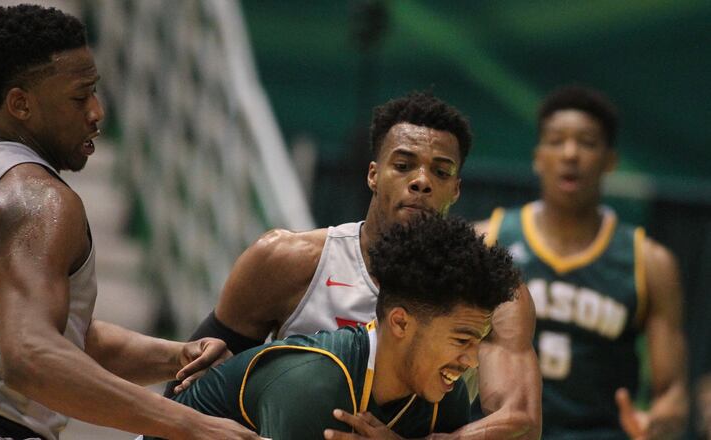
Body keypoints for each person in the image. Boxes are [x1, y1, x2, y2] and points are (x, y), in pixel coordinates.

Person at [0, 5, 259, 440]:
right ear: (21, 104)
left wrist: (176, 356)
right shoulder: (40, 198)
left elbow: (59, 333)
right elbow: (32, 357)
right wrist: (193, 426)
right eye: (79, 97)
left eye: (95, 92)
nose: (96, 112)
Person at [171, 92, 542, 439]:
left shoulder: (490, 293)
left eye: (441, 172)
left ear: (457, 189)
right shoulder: (289, 259)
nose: (421, 182)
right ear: (373, 174)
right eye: (403, 165)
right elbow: (188, 380)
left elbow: (522, 423)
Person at [150, 214, 520, 440]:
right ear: (400, 323)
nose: (473, 360)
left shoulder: (445, 397)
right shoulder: (314, 383)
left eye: (479, 341)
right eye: (462, 339)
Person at [477, 85, 688, 439]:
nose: (570, 153)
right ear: (537, 157)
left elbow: (673, 393)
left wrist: (657, 424)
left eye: (587, 143)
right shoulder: (487, 240)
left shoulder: (649, 262)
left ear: (610, 161)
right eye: (556, 141)